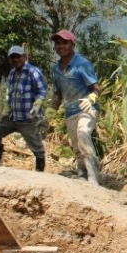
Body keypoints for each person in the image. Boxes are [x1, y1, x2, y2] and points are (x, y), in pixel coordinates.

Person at [47, 29, 102, 185]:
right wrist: (49, 114)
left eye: (64, 43)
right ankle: (82, 176)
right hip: (70, 112)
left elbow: (96, 88)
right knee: (77, 147)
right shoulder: (55, 69)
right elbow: (57, 95)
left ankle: (93, 178)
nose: (60, 46)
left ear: (72, 44)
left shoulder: (81, 64)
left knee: (83, 135)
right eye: (57, 43)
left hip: (86, 109)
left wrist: (91, 98)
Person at [0, 45, 47, 171]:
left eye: (18, 56)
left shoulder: (33, 72)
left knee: (37, 149)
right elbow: (10, 92)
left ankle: (40, 173)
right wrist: (6, 108)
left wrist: (37, 104)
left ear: (24, 57)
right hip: (12, 117)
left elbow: (42, 91)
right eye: (12, 57)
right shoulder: (12, 73)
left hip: (28, 118)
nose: (15, 60)